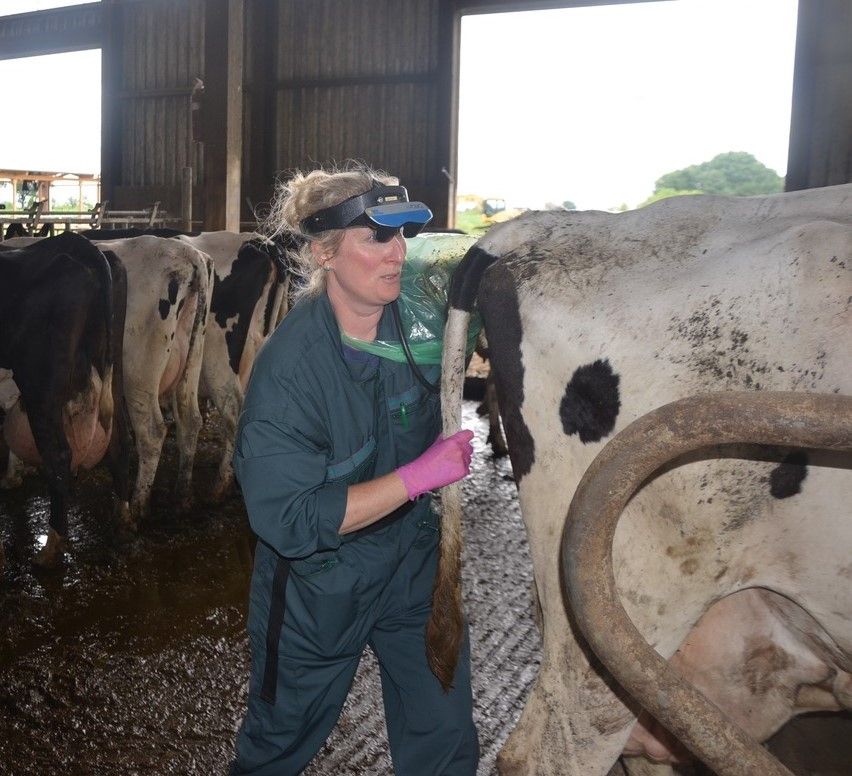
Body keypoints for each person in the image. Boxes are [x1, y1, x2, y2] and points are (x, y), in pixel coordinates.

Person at [230, 162, 479, 776]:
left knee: (444, 738)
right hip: (321, 582)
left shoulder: (416, 322)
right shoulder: (290, 371)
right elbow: (288, 518)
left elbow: (476, 269)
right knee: (278, 746)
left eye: (403, 236)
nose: (398, 254)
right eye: (377, 237)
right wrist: (419, 477)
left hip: (412, 567)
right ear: (324, 253)